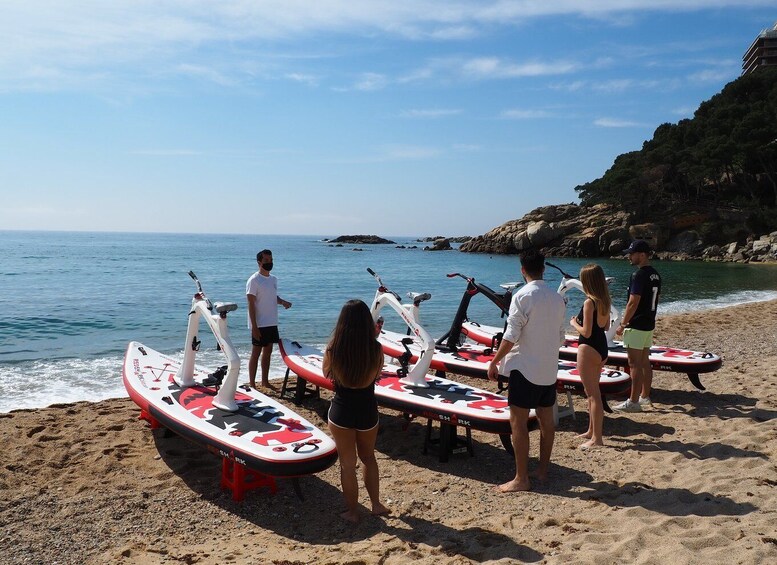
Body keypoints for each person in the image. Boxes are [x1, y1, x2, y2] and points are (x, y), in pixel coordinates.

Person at [487, 249, 566, 492]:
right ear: (543, 269)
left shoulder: (521, 296)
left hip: (525, 368)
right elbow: (561, 337)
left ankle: (522, 478)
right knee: (546, 422)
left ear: (523, 270)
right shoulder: (557, 298)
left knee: (518, 423)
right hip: (548, 368)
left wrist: (495, 361)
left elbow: (511, 335)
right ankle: (542, 470)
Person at [323, 299, 390, 522]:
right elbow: (377, 374)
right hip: (367, 409)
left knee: (348, 465)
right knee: (369, 458)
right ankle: (376, 504)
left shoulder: (334, 348)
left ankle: (352, 512)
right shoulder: (376, 348)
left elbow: (326, 374)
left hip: (342, 410)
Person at [613, 240, 661, 412]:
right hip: (648, 323)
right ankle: (644, 396)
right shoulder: (655, 275)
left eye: (631, 254)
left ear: (642, 255)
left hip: (637, 324)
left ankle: (633, 401)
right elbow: (657, 299)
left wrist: (623, 323)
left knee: (634, 364)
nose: (629, 257)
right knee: (644, 362)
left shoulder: (638, 275)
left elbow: (633, 302)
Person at [569, 264, 611, 449]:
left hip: (588, 348)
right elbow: (606, 326)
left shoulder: (589, 302)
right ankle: (591, 430)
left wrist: (573, 324)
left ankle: (597, 439)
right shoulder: (605, 300)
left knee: (593, 395)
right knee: (593, 393)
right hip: (601, 347)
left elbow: (586, 332)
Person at [246, 249, 292, 389]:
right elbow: (251, 304)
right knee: (256, 353)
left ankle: (265, 381)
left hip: (271, 322)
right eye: (266, 261)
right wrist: (254, 327)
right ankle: (253, 384)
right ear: (259, 262)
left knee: (268, 353)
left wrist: (282, 302)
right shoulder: (254, 280)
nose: (269, 263)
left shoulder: (273, 279)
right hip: (259, 323)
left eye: (271, 260)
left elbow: (272, 297)